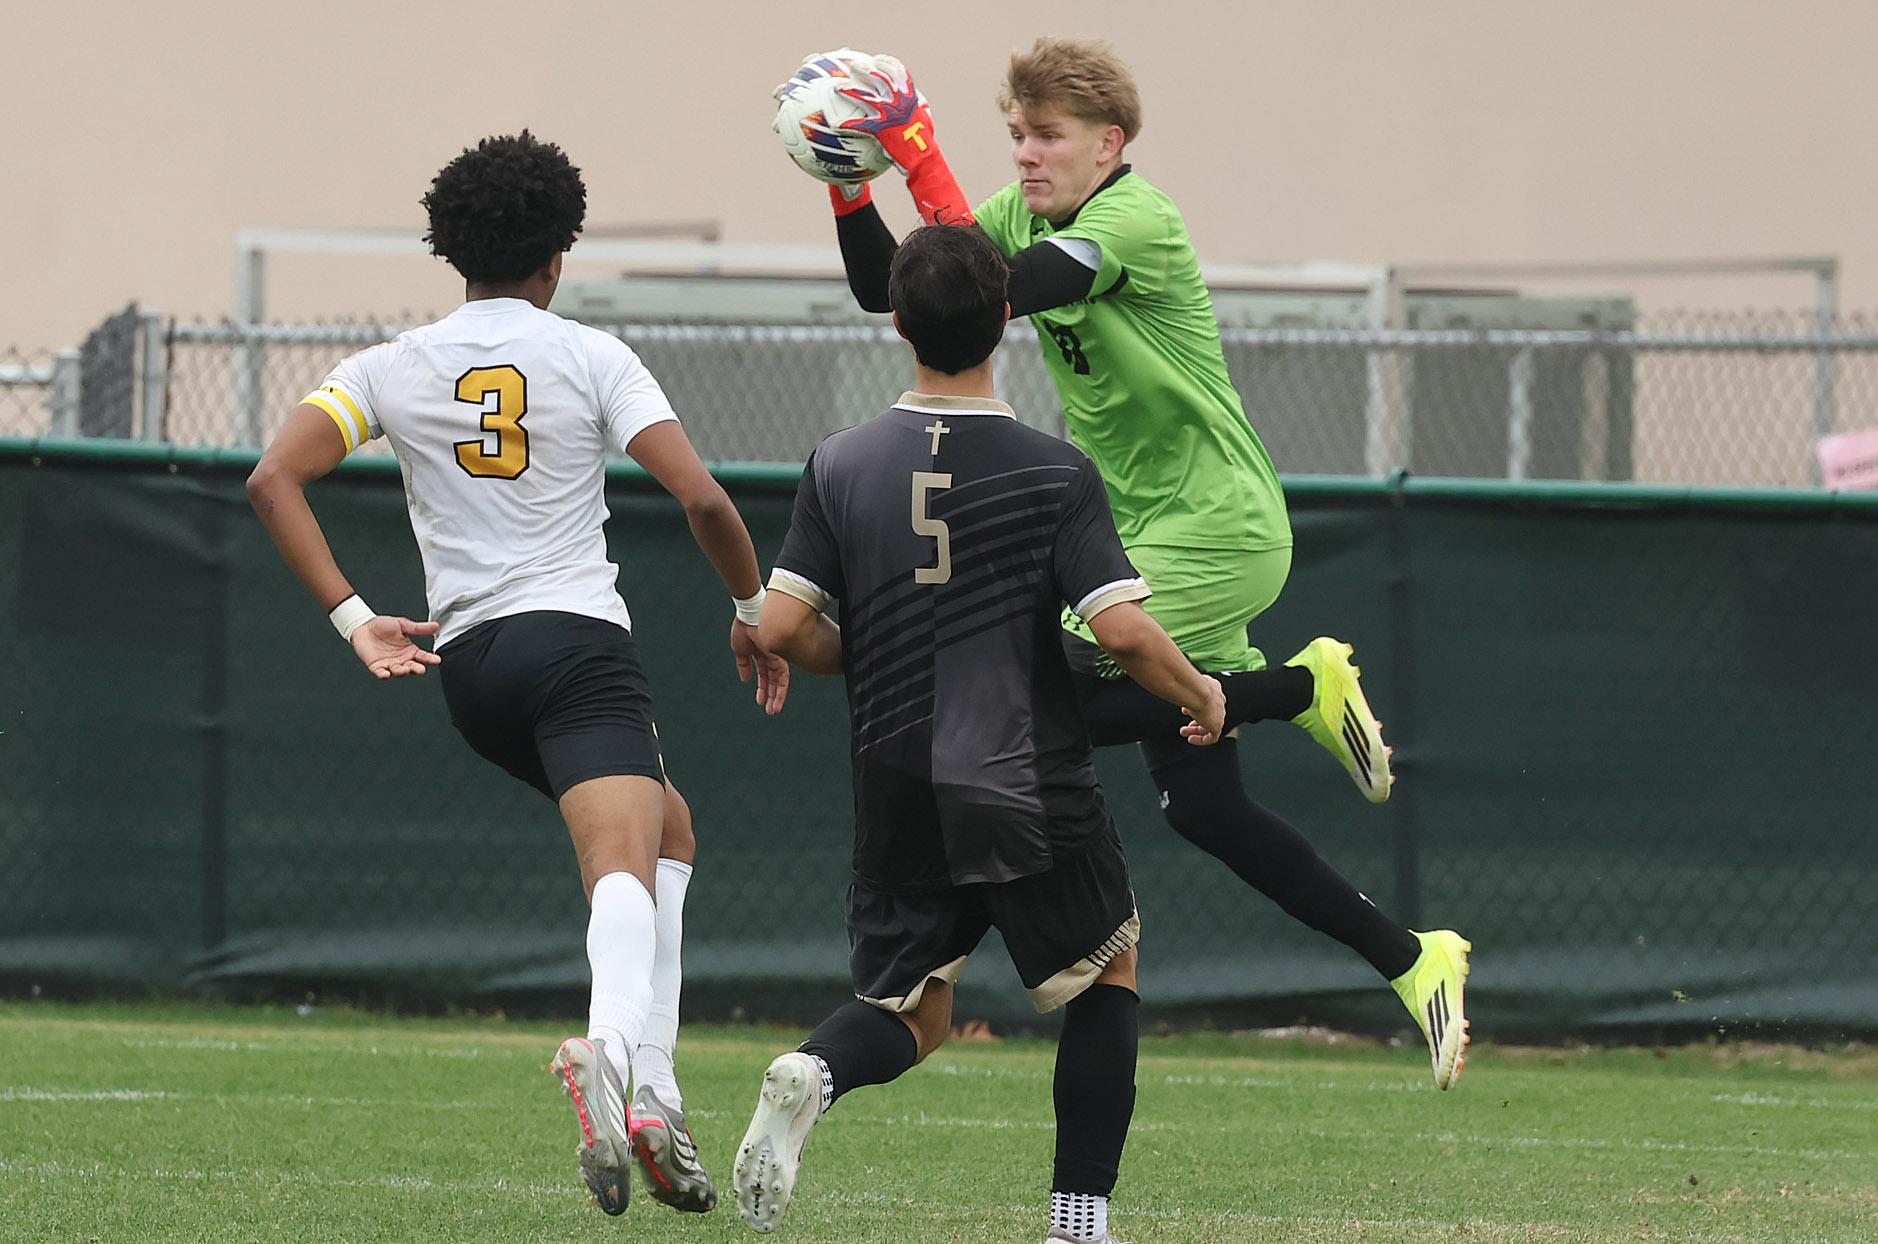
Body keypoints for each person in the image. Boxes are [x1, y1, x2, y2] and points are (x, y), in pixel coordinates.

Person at [795, 37, 1472, 1088]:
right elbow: (915, 294)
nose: (1025, 154)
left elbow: (1003, 288)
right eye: (1016, 134)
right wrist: (850, 192)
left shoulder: (1134, 218)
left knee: (1035, 690)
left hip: (1217, 522)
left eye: (1048, 136)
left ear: (1108, 145)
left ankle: (1296, 685)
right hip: (1133, 526)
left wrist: (917, 152)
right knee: (1210, 810)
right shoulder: (1022, 211)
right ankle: (1414, 957)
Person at [245, 131, 785, 1217]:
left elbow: (272, 477)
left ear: (454, 249)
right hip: (577, 646)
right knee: (622, 863)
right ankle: (614, 1059)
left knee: (669, 830)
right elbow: (709, 502)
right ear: (556, 257)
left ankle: (660, 1092)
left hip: (471, 668)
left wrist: (355, 618)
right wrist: (750, 611)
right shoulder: (589, 354)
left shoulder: (392, 365)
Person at [733, 224, 1226, 1244]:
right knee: (1106, 969)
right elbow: (1125, 629)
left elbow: (779, 627)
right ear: (1007, 318)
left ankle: (815, 1071)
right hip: (1025, 775)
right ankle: (1079, 1220)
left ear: (899, 321)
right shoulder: (1054, 470)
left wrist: (845, 642)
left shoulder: (841, 461)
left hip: (897, 775)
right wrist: (1204, 693)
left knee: (913, 1008)